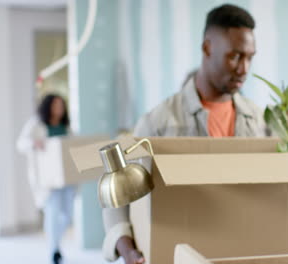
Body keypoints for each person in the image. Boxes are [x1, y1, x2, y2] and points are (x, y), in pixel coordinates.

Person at [102, 4, 269, 264]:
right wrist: (127, 249)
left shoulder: (260, 121)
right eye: (235, 56)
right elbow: (119, 196)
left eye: (250, 57)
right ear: (207, 48)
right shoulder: (158, 122)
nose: (244, 68)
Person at [17, 94, 76, 264]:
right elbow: (21, 143)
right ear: (48, 106)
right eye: (56, 105)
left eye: (61, 105)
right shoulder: (37, 123)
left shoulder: (66, 126)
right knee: (52, 214)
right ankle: (54, 250)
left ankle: (56, 245)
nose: (59, 108)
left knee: (67, 215)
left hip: (66, 179)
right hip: (48, 180)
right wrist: (34, 143)